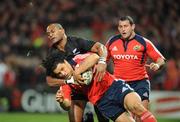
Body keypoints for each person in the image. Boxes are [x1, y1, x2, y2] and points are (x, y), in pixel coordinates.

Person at [43, 51, 157, 122]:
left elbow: (95, 57)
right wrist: (61, 101)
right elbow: (67, 105)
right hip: (102, 102)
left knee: (137, 107)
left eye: (62, 69)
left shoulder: (77, 60)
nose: (62, 73)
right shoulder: (66, 82)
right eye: (59, 73)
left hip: (114, 87)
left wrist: (77, 71)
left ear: (65, 62)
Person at [105, 16, 165, 121]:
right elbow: (103, 60)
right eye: (120, 26)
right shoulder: (111, 41)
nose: (123, 29)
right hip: (120, 84)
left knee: (141, 116)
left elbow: (161, 59)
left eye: (126, 26)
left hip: (140, 82)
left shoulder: (143, 42)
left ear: (133, 26)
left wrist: (157, 65)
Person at [45, 23, 108, 122]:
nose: (50, 35)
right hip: (75, 88)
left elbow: (100, 47)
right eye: (48, 34)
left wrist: (102, 61)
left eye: (53, 32)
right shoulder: (51, 54)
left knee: (103, 119)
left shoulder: (76, 42)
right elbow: (49, 80)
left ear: (62, 31)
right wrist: (69, 81)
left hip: (94, 83)